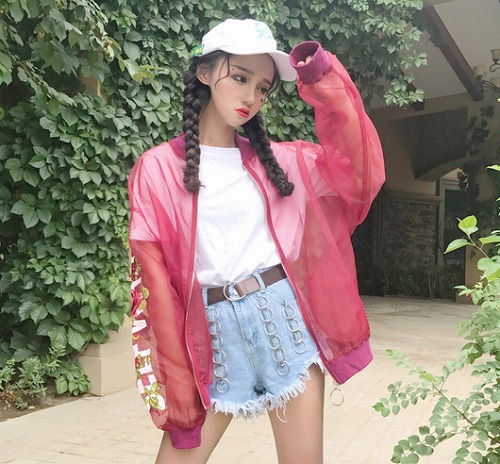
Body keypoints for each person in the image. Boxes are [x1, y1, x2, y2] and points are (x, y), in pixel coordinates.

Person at [128, 18, 385, 464]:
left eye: (262, 87)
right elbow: (155, 282)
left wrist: (321, 78)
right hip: (213, 337)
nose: (251, 96)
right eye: (240, 78)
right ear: (205, 73)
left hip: (283, 322)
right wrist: (176, 374)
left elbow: (358, 169)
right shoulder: (158, 169)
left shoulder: (282, 164)